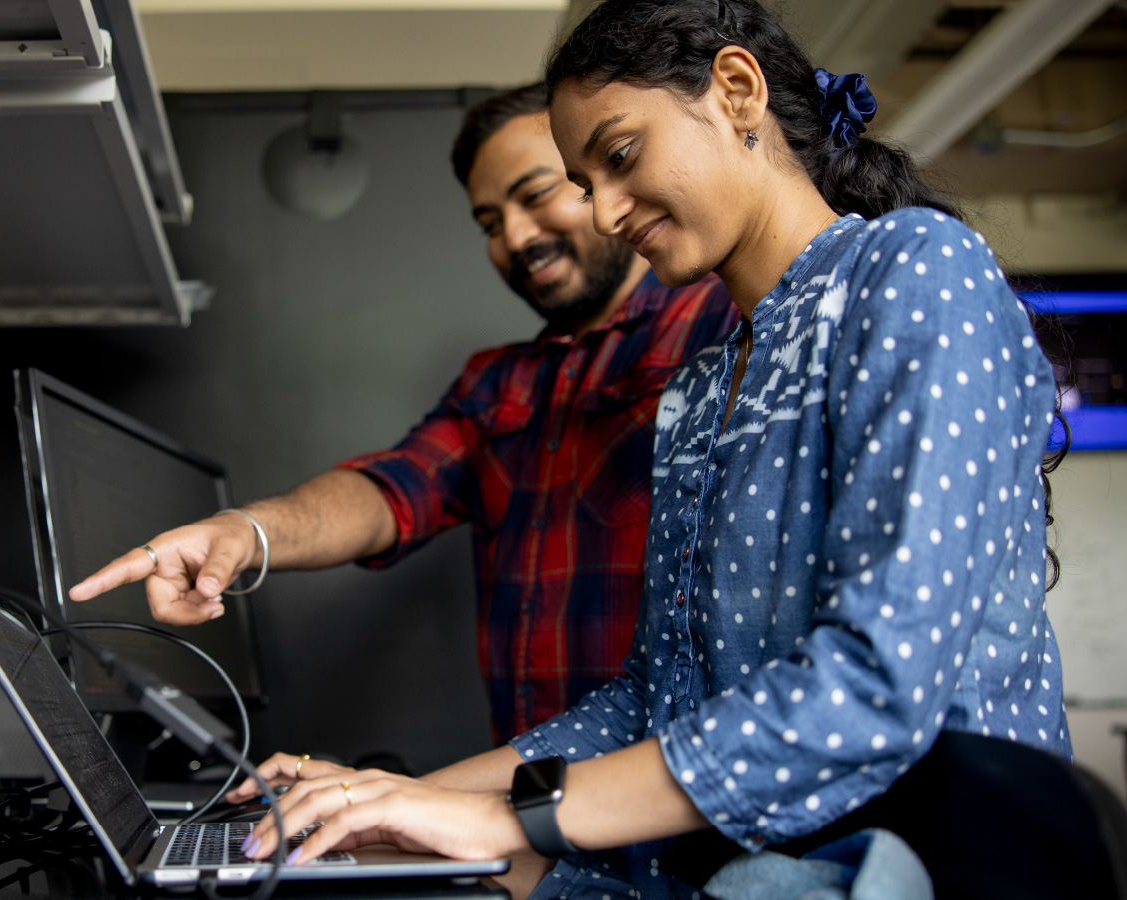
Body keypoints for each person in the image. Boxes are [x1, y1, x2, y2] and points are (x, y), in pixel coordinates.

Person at [226, 1, 1070, 896]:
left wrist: (505, 817)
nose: (611, 211)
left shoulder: (916, 268)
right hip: (742, 867)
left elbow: (875, 684)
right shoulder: (704, 386)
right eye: (589, 184)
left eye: (620, 157)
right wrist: (394, 799)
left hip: (933, 856)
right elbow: (650, 697)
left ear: (737, 92)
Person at [70, 85, 739, 742]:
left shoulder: (722, 317)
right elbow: (391, 491)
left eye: (534, 195)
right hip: (536, 803)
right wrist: (245, 532)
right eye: (488, 222)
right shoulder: (499, 383)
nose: (514, 236)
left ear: (600, 179)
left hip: (692, 794)